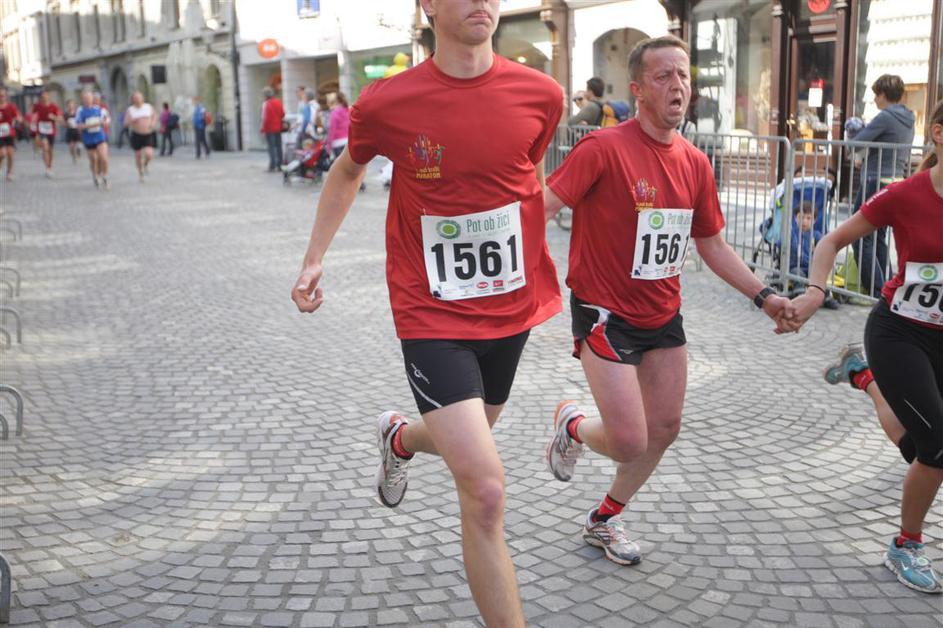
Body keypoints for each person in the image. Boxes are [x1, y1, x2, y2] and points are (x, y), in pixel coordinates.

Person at [291, 1, 563, 624]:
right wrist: (313, 259)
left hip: (509, 308)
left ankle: (400, 439)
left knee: (474, 430)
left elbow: (525, 171)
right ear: (429, 6)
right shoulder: (388, 103)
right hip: (430, 312)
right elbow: (348, 171)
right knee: (486, 489)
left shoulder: (541, 94)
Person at [543, 35, 796, 566]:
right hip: (604, 313)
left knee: (664, 429)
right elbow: (540, 208)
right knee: (629, 440)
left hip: (662, 315)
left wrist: (764, 296)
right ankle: (574, 426)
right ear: (637, 89)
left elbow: (712, 245)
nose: (677, 85)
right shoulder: (603, 149)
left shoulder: (696, 163)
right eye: (663, 76)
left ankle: (604, 519)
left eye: (683, 75)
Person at [790, 100, 943, 594]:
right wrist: (817, 291)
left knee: (919, 449)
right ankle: (905, 545)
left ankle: (862, 376)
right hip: (900, 333)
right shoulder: (904, 195)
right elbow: (831, 241)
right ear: (938, 133)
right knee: (938, 446)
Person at [850, 74, 916, 298]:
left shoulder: (886, 117)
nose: (874, 100)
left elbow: (855, 143)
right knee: (878, 237)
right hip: (895, 179)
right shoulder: (909, 118)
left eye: (876, 95)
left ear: (883, 94)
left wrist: (855, 130)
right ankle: (889, 287)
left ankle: (878, 290)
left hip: (875, 179)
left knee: (860, 236)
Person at [76, 89, 110, 189]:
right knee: (94, 159)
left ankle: (105, 176)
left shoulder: (100, 109)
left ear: (92, 99)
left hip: (100, 136)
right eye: (85, 98)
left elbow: (106, 121)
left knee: (103, 158)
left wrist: (103, 123)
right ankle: (95, 175)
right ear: (82, 99)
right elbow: (79, 126)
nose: (87, 100)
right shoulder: (80, 111)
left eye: (89, 98)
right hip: (88, 138)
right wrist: (96, 124)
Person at [125, 91, 158, 182]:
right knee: (138, 155)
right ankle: (140, 173)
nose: (137, 100)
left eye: (139, 98)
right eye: (135, 98)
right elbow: (125, 123)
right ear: (132, 100)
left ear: (142, 98)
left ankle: (146, 164)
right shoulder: (130, 110)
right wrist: (131, 120)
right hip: (136, 134)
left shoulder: (148, 107)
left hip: (148, 134)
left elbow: (155, 116)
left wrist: (152, 123)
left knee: (149, 154)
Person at [30, 90, 64, 178]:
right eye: (42, 96)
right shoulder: (37, 106)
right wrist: (33, 120)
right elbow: (32, 115)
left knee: (50, 150)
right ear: (40, 98)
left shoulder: (54, 107)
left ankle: (50, 165)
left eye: (45, 96)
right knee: (45, 147)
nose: (44, 98)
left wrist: (54, 117)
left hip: (51, 131)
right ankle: (47, 168)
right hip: (41, 130)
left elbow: (60, 119)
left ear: (48, 96)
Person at [0, 88, 23, 182]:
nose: (1, 97)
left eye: (2, 95)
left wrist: (18, 119)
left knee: (10, 154)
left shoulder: (11, 107)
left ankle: (9, 173)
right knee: (2, 153)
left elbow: (19, 117)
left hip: (9, 133)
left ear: (6, 96)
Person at [260, 87, 284, 172]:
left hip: (269, 128)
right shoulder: (278, 102)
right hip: (278, 127)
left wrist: (262, 128)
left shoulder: (266, 104)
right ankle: (280, 164)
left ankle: (272, 165)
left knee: (271, 147)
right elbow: (282, 114)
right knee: (279, 146)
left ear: (265, 95)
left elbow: (264, 117)